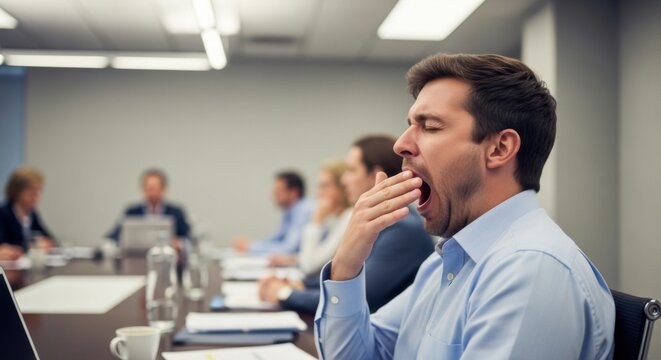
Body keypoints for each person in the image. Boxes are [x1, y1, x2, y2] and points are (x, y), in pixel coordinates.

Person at [314, 54, 615, 359]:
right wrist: (346, 270)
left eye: (429, 126)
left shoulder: (530, 269)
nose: (400, 144)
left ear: (499, 148)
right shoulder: (446, 260)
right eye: (410, 125)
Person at [259, 136, 434, 314]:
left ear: (375, 175)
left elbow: (351, 298)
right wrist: (301, 285)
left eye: (351, 170)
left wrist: (285, 293)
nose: (344, 180)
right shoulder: (382, 221)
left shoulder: (402, 228)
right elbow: (341, 276)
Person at [268, 160, 352, 275]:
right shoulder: (338, 219)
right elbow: (319, 257)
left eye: (324, 186)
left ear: (342, 187)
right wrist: (295, 259)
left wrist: (316, 220)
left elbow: (309, 266)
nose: (318, 194)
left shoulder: (348, 219)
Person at [107, 169, 190, 252]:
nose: (152, 193)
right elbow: (114, 236)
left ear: (163, 189)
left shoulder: (176, 213)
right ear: (143, 189)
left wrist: (179, 243)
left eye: (155, 189)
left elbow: (188, 238)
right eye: (149, 189)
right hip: (135, 258)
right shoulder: (131, 212)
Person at [232, 171, 314, 254]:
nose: (273, 196)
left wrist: (250, 247)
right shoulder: (291, 211)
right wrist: (251, 245)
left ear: (294, 192)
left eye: (278, 191)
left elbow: (291, 248)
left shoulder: (305, 211)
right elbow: (276, 239)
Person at [0, 166, 56, 260]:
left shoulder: (32, 214)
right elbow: (3, 246)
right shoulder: (3, 213)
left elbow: (51, 239)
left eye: (38, 191)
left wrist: (46, 243)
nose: (36, 196)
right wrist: (32, 246)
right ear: (17, 191)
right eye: (31, 191)